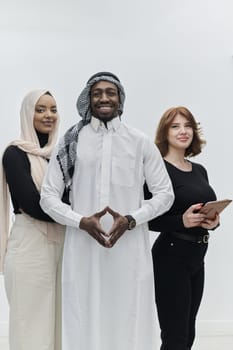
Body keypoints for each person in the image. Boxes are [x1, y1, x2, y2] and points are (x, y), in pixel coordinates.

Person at [40, 71, 174, 350]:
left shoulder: (139, 142)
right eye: (97, 92)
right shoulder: (70, 140)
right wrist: (80, 221)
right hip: (82, 247)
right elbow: (48, 197)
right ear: (88, 98)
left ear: (120, 99)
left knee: (129, 316)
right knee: (83, 317)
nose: (103, 98)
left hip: (129, 248)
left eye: (110, 93)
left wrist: (131, 219)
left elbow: (165, 194)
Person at [144, 106, 220, 350]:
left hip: (197, 255)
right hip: (171, 255)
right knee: (175, 335)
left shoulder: (199, 170)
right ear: (164, 132)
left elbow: (202, 210)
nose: (183, 131)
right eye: (175, 126)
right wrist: (181, 221)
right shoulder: (157, 169)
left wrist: (213, 221)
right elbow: (147, 218)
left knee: (188, 333)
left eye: (187, 126)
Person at [0, 90, 66, 350]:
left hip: (62, 244)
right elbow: (32, 204)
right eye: (40, 109)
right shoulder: (15, 154)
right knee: (31, 328)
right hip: (30, 246)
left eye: (53, 109)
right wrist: (78, 217)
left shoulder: (60, 155)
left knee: (60, 325)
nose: (48, 115)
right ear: (27, 114)